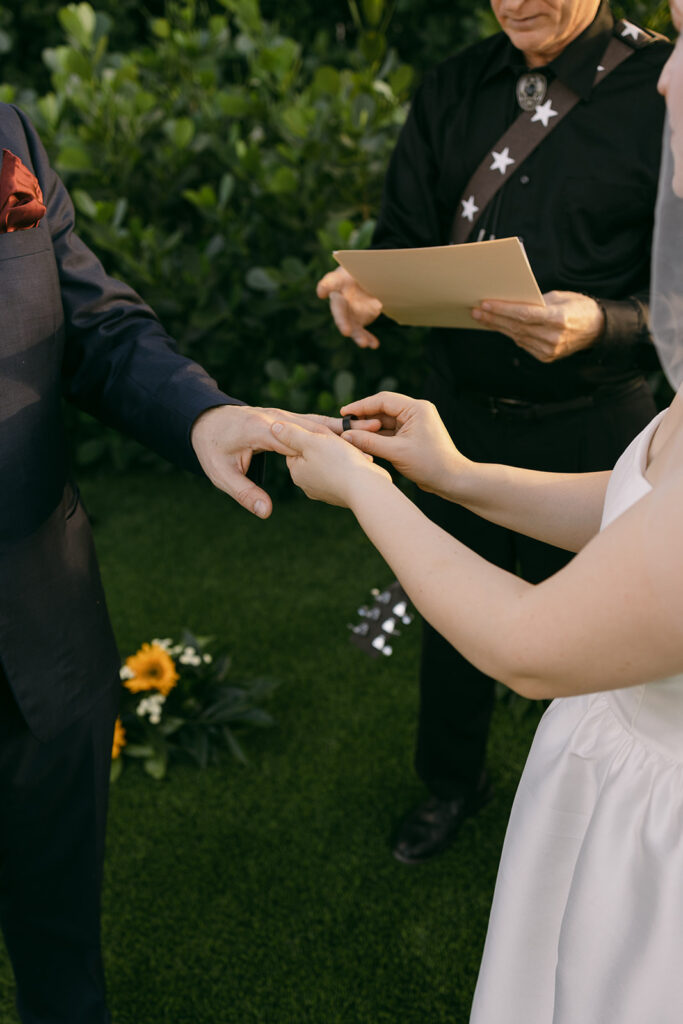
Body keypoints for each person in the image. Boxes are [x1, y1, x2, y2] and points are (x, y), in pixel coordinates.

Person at [273, 3, 683, 1016]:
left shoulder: (649, 81)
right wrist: (373, 298)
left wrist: (607, 322)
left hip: (598, 416)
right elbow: (399, 238)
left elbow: (538, 644)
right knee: (447, 632)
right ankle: (448, 783)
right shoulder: (454, 84)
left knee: (582, 628)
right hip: (462, 413)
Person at [0, 102, 377, 1024]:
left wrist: (199, 414)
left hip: (42, 627)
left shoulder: (7, 128)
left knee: (61, 946)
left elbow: (94, 326)